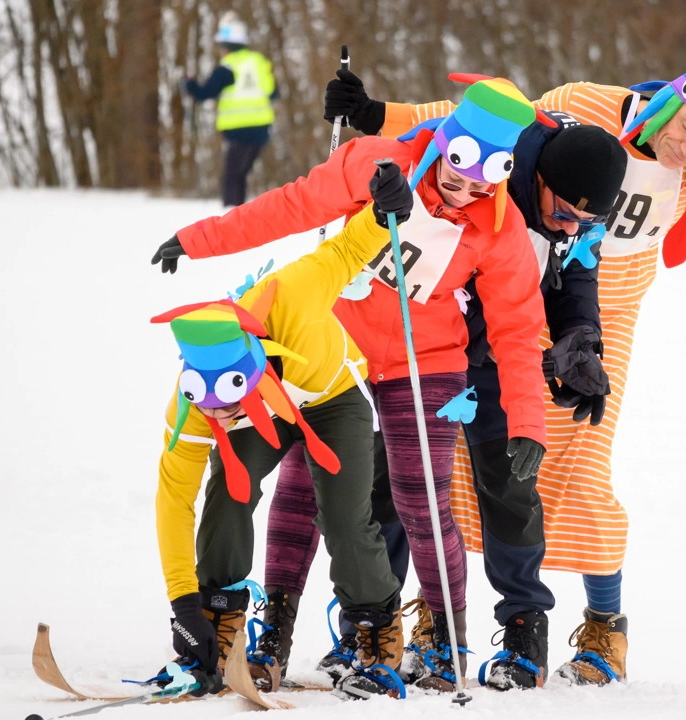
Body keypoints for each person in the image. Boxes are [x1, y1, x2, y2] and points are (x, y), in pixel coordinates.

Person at [329, 20, 686, 686]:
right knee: (457, 460)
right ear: (667, 100)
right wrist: (375, 116)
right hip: (505, 300)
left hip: (599, 321)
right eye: (684, 127)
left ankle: (605, 628)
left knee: (578, 470)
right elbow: (481, 120)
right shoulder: (590, 105)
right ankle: (433, 615)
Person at [151, 74, 549, 695]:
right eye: (456, 170)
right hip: (342, 351)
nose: (464, 189)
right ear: (445, 142)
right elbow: (289, 207)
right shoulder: (376, 163)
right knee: (304, 487)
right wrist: (200, 240)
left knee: (422, 500)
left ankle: (442, 641)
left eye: (482, 182)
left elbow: (519, 330)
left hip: (429, 359)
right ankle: (273, 631)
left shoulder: (500, 228)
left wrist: (526, 421)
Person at [272, 80, 629, 689]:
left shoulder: (579, 211)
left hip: (497, 352)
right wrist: (371, 112)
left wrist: (581, 341)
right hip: (428, 344)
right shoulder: (498, 153)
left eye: (586, 220)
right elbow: (437, 120)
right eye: (564, 212)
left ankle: (523, 630)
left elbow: (577, 273)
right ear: (534, 173)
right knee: (390, 481)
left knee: (510, 482)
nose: (571, 227)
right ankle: (376, 625)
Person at [150, 169, 412, 698]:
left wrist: (383, 213)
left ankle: (374, 625)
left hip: (331, 398)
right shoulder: (195, 400)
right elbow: (173, 499)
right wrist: (183, 605)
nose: (217, 417)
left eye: (229, 403)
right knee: (228, 490)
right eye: (210, 407)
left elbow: (342, 252)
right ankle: (217, 619)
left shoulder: (292, 292)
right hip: (265, 418)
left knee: (343, 514)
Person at [184, 12, 279, 208]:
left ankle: (230, 217)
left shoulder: (227, 68)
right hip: (261, 129)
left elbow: (205, 93)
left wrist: (189, 85)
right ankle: (239, 214)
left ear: (226, 47)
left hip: (238, 130)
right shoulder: (258, 62)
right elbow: (273, 93)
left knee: (231, 177)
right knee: (240, 175)